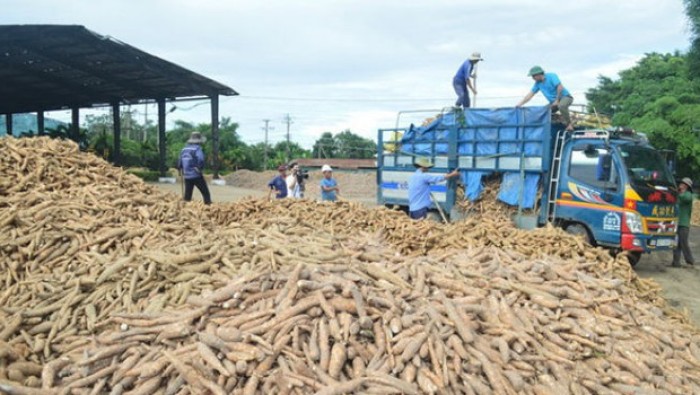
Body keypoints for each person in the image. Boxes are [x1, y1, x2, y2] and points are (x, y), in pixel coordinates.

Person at [516, 65, 574, 131]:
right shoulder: (537, 84)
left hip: (565, 97)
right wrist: (519, 104)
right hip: (553, 102)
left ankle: (569, 125)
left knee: (562, 106)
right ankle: (545, 127)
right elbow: (530, 95)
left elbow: (560, 87)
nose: (532, 78)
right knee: (543, 111)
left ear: (538, 74)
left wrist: (557, 100)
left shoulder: (552, 76)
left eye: (533, 76)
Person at [177, 132, 212, 205]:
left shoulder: (184, 149)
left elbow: (179, 161)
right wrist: (199, 168)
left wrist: (180, 169)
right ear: (199, 141)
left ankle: (185, 209)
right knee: (205, 193)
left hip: (186, 175)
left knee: (187, 195)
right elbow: (201, 159)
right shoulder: (197, 149)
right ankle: (208, 207)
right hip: (196, 175)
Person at [672, 177, 695, 267]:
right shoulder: (679, 194)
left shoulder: (688, 195)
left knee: (683, 242)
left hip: (684, 223)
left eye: (682, 184)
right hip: (676, 222)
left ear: (686, 186)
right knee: (676, 243)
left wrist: (679, 191)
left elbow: (685, 198)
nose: (680, 185)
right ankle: (676, 262)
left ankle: (690, 260)